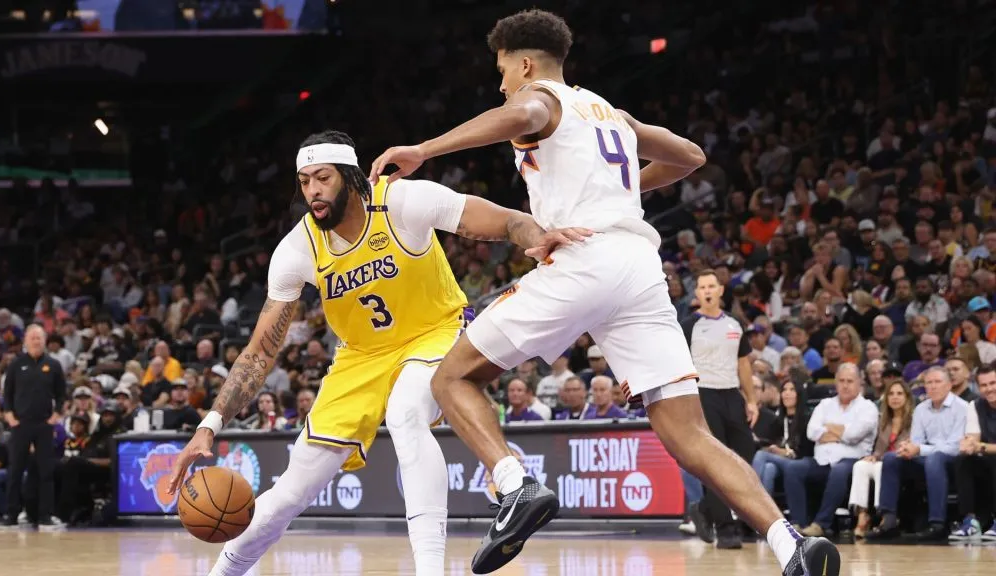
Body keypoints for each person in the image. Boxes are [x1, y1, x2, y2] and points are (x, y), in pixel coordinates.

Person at [370, 9, 838, 575]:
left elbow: (518, 111)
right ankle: (790, 544)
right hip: (641, 268)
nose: (500, 84)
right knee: (686, 430)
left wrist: (424, 150)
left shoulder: (540, 98)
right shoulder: (609, 112)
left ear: (524, 63)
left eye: (501, 71)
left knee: (451, 377)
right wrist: (621, 190)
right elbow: (691, 156)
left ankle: (514, 485)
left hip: (584, 258)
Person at [166, 130, 580, 576]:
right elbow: (259, 351)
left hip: (433, 333)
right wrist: (210, 424)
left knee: (405, 412)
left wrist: (537, 235)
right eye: (304, 181)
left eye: (322, 178)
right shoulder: (297, 249)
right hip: (360, 358)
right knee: (291, 492)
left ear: (349, 176)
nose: (312, 192)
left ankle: (430, 570)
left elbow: (501, 220)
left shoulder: (402, 202)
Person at [679, 270, 759, 549]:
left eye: (712, 286)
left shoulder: (735, 324)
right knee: (715, 463)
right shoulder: (689, 325)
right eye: (702, 287)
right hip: (703, 394)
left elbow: (744, 364)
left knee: (745, 458)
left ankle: (704, 508)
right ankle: (726, 528)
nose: (708, 291)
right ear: (697, 293)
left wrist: (750, 400)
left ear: (721, 290)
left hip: (732, 395)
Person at [869, 367, 969, 542]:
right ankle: (889, 520)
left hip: (954, 462)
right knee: (892, 458)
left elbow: (955, 446)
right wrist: (907, 449)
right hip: (926, 459)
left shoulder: (962, 408)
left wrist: (920, 449)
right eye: (929, 383)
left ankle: (937, 524)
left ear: (949, 385)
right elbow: (916, 440)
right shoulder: (922, 408)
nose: (933, 387)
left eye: (938, 382)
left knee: (935, 459)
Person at [785, 363, 878, 536]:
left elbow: (854, 435)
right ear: (835, 382)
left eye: (850, 381)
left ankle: (821, 523)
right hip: (821, 460)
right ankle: (799, 523)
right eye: (841, 380)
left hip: (852, 460)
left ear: (859, 383)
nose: (845, 385)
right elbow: (812, 432)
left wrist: (828, 428)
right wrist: (843, 430)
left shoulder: (868, 407)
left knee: (839, 471)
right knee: (793, 468)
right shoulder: (825, 404)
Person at [0, 324, 66, 531]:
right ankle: (11, 515)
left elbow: (62, 394)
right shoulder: (16, 365)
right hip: (20, 425)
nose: (36, 341)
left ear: (44, 340)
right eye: (33, 338)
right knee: (15, 470)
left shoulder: (53, 365)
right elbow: (7, 394)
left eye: (39, 338)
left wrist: (55, 416)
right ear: (26, 341)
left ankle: (45, 516)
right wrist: (10, 417)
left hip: (44, 425)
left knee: (46, 471)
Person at [847, 380, 913, 538]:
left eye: (899, 393)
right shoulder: (883, 420)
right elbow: (878, 448)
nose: (895, 397)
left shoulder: (914, 420)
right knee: (860, 465)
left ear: (907, 397)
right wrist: (874, 456)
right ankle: (862, 515)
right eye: (891, 394)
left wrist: (880, 458)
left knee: (880, 467)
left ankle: (884, 516)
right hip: (883, 459)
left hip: (902, 461)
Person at [949, 365, 996, 541]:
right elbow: (973, 439)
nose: (989, 388)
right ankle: (970, 521)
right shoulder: (975, 405)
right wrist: (968, 445)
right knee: (964, 459)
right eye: (984, 385)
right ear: (978, 387)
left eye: (993, 383)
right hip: (989, 462)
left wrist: (980, 446)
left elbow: (980, 445)